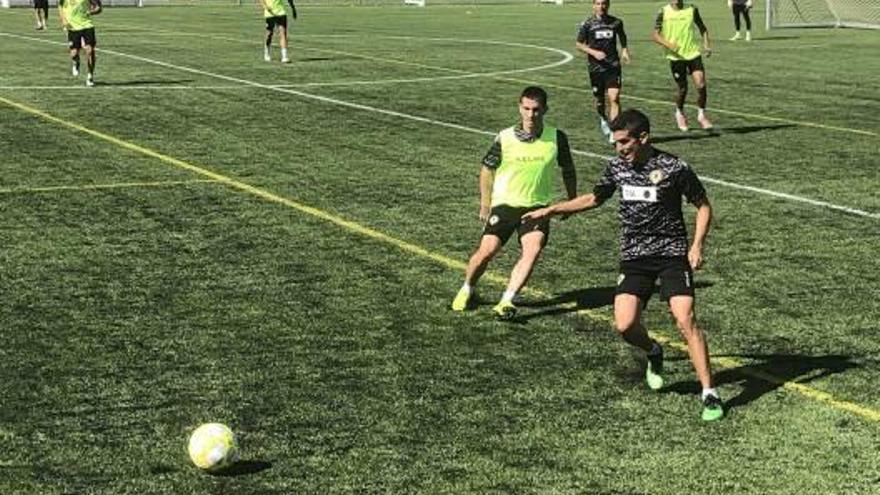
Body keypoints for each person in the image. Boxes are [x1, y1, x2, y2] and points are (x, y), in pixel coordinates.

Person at [523, 109, 723, 421]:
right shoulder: (617, 168)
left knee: (685, 320)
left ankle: (709, 392)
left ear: (643, 138)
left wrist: (696, 246)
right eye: (615, 143)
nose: (619, 149)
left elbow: (703, 207)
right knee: (625, 325)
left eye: (625, 143)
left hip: (671, 254)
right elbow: (594, 198)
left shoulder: (674, 167)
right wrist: (552, 210)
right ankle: (654, 352)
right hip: (634, 257)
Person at [451, 86, 578, 321]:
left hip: (538, 207)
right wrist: (485, 204)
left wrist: (571, 201)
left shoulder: (557, 138)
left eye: (536, 109)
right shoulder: (505, 137)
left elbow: (568, 169)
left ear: (545, 109)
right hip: (504, 205)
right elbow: (487, 169)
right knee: (486, 252)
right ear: (519, 108)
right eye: (527, 109)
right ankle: (467, 287)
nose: (531, 115)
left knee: (533, 250)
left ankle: (506, 300)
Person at [651, 0, 713, 131]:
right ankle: (679, 112)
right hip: (675, 56)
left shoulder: (692, 9)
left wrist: (706, 45)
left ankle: (701, 115)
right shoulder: (663, 11)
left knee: (701, 85)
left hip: (693, 53)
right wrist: (669, 45)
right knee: (682, 88)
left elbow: (703, 28)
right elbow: (655, 35)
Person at [576, 0, 631, 144]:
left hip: (613, 66)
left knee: (614, 97)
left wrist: (624, 50)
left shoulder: (616, 22)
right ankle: (602, 118)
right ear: (593, 5)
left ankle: (615, 131)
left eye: (604, 3)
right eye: (598, 4)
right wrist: (593, 52)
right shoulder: (587, 24)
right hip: (595, 68)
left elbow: (623, 37)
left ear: (608, 5)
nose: (602, 7)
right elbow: (579, 44)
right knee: (600, 101)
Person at [59, 0, 101, 87]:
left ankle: (90, 76)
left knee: (90, 51)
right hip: (72, 27)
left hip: (87, 25)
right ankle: (76, 61)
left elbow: (98, 8)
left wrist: (91, 11)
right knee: (74, 53)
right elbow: (60, 6)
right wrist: (63, 20)